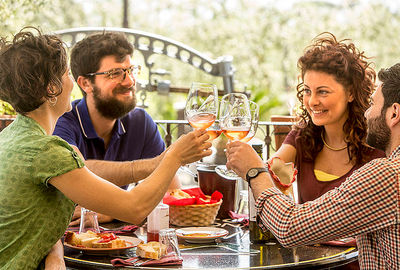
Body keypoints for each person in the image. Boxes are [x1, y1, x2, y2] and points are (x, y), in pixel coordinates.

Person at [0, 27, 211, 269]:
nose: (72, 82)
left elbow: (31, 222)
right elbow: (134, 208)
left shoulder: (12, 137)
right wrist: (174, 156)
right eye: (67, 73)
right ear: (51, 89)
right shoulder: (47, 151)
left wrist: (55, 252)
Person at [226, 63, 400, 269]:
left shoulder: (388, 174)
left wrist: (254, 171)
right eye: (308, 90)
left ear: (394, 113)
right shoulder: (306, 135)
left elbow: (289, 227)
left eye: (373, 105)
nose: (367, 114)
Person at [53, 32, 180, 225]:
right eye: (115, 73)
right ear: (85, 83)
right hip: (64, 242)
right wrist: (158, 164)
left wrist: (115, 212)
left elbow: (173, 195)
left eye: (130, 70)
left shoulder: (141, 122)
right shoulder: (61, 123)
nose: (129, 81)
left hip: (123, 243)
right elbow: (76, 168)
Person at [273, 33, 384, 204]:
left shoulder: (376, 150)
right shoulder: (302, 136)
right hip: (301, 230)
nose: (312, 102)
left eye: (323, 91)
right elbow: (271, 172)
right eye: (307, 90)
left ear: (351, 93)